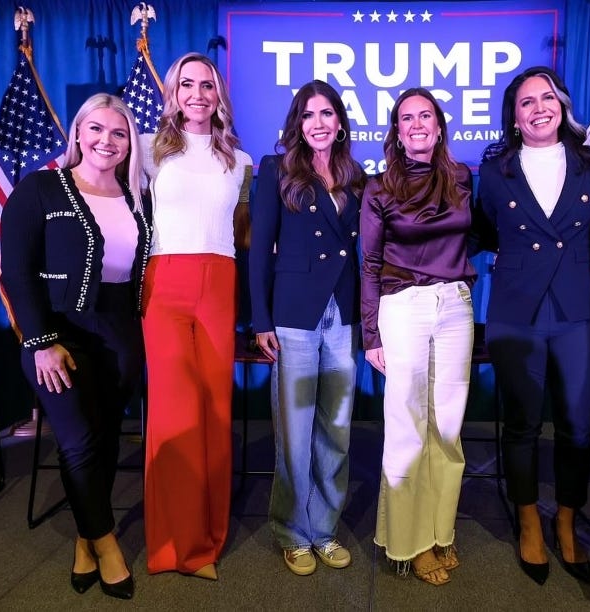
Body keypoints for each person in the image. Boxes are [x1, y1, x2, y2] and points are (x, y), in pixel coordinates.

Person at [1, 93, 151, 600]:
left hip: (120, 329)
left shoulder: (139, 197)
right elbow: (16, 270)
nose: (106, 141)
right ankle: (107, 543)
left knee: (106, 436)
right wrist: (41, 342)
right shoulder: (41, 187)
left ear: (131, 141)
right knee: (78, 439)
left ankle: (85, 540)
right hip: (58, 331)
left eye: (119, 133)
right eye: (97, 129)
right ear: (78, 133)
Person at [476, 66, 590, 585]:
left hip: (576, 309)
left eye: (546, 98)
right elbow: (484, 231)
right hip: (516, 311)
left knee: (577, 426)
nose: (538, 108)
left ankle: (569, 519)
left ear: (562, 105)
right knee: (523, 424)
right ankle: (529, 518)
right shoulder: (493, 170)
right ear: (513, 114)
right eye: (526, 102)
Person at [141, 52, 253, 580]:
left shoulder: (242, 161)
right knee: (175, 417)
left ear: (219, 94)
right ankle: (176, 546)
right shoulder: (145, 152)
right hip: (164, 287)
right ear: (173, 93)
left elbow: (246, 234)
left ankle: (208, 538)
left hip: (219, 286)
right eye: (187, 85)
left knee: (215, 414)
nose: (198, 95)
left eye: (207, 85)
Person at [249, 80, 365, 576]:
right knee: (294, 433)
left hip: (344, 313)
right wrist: (260, 318)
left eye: (327, 114)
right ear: (297, 123)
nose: (318, 123)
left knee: (335, 429)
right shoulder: (276, 171)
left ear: (340, 122)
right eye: (308, 115)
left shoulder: (357, 177)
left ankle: (325, 528)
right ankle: (293, 532)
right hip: (293, 315)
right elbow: (260, 250)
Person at [361, 87, 476, 586]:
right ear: (396, 130)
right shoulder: (378, 187)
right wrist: (370, 333)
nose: (416, 124)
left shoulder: (462, 178)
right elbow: (367, 264)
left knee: (447, 430)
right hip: (402, 307)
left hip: (455, 306)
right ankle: (408, 543)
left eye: (424, 116)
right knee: (408, 430)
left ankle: (439, 530)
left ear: (439, 125)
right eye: (406, 118)